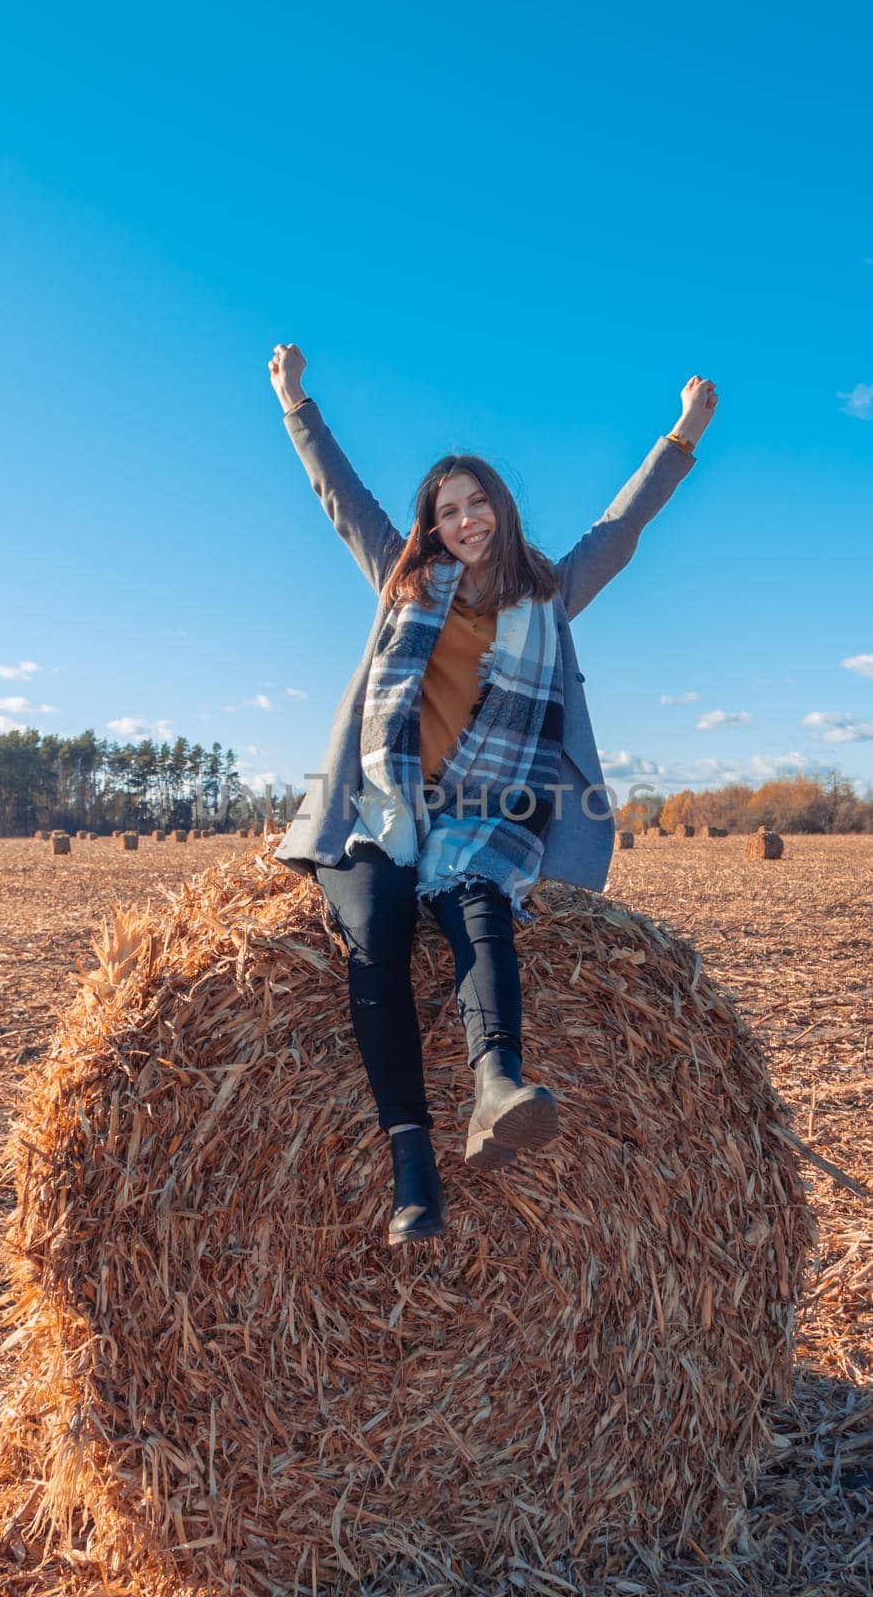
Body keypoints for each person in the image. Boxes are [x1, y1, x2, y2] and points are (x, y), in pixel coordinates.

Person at [267, 343, 716, 1244]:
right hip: (383, 811)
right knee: (377, 939)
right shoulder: (403, 579)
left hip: (484, 814)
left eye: (478, 505)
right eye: (449, 511)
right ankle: (412, 1165)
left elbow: (620, 532)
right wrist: (296, 404)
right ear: (431, 527)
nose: (466, 521)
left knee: (479, 898)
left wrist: (683, 436)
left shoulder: (547, 594)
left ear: (500, 512)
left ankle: (497, 1087)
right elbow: (339, 499)